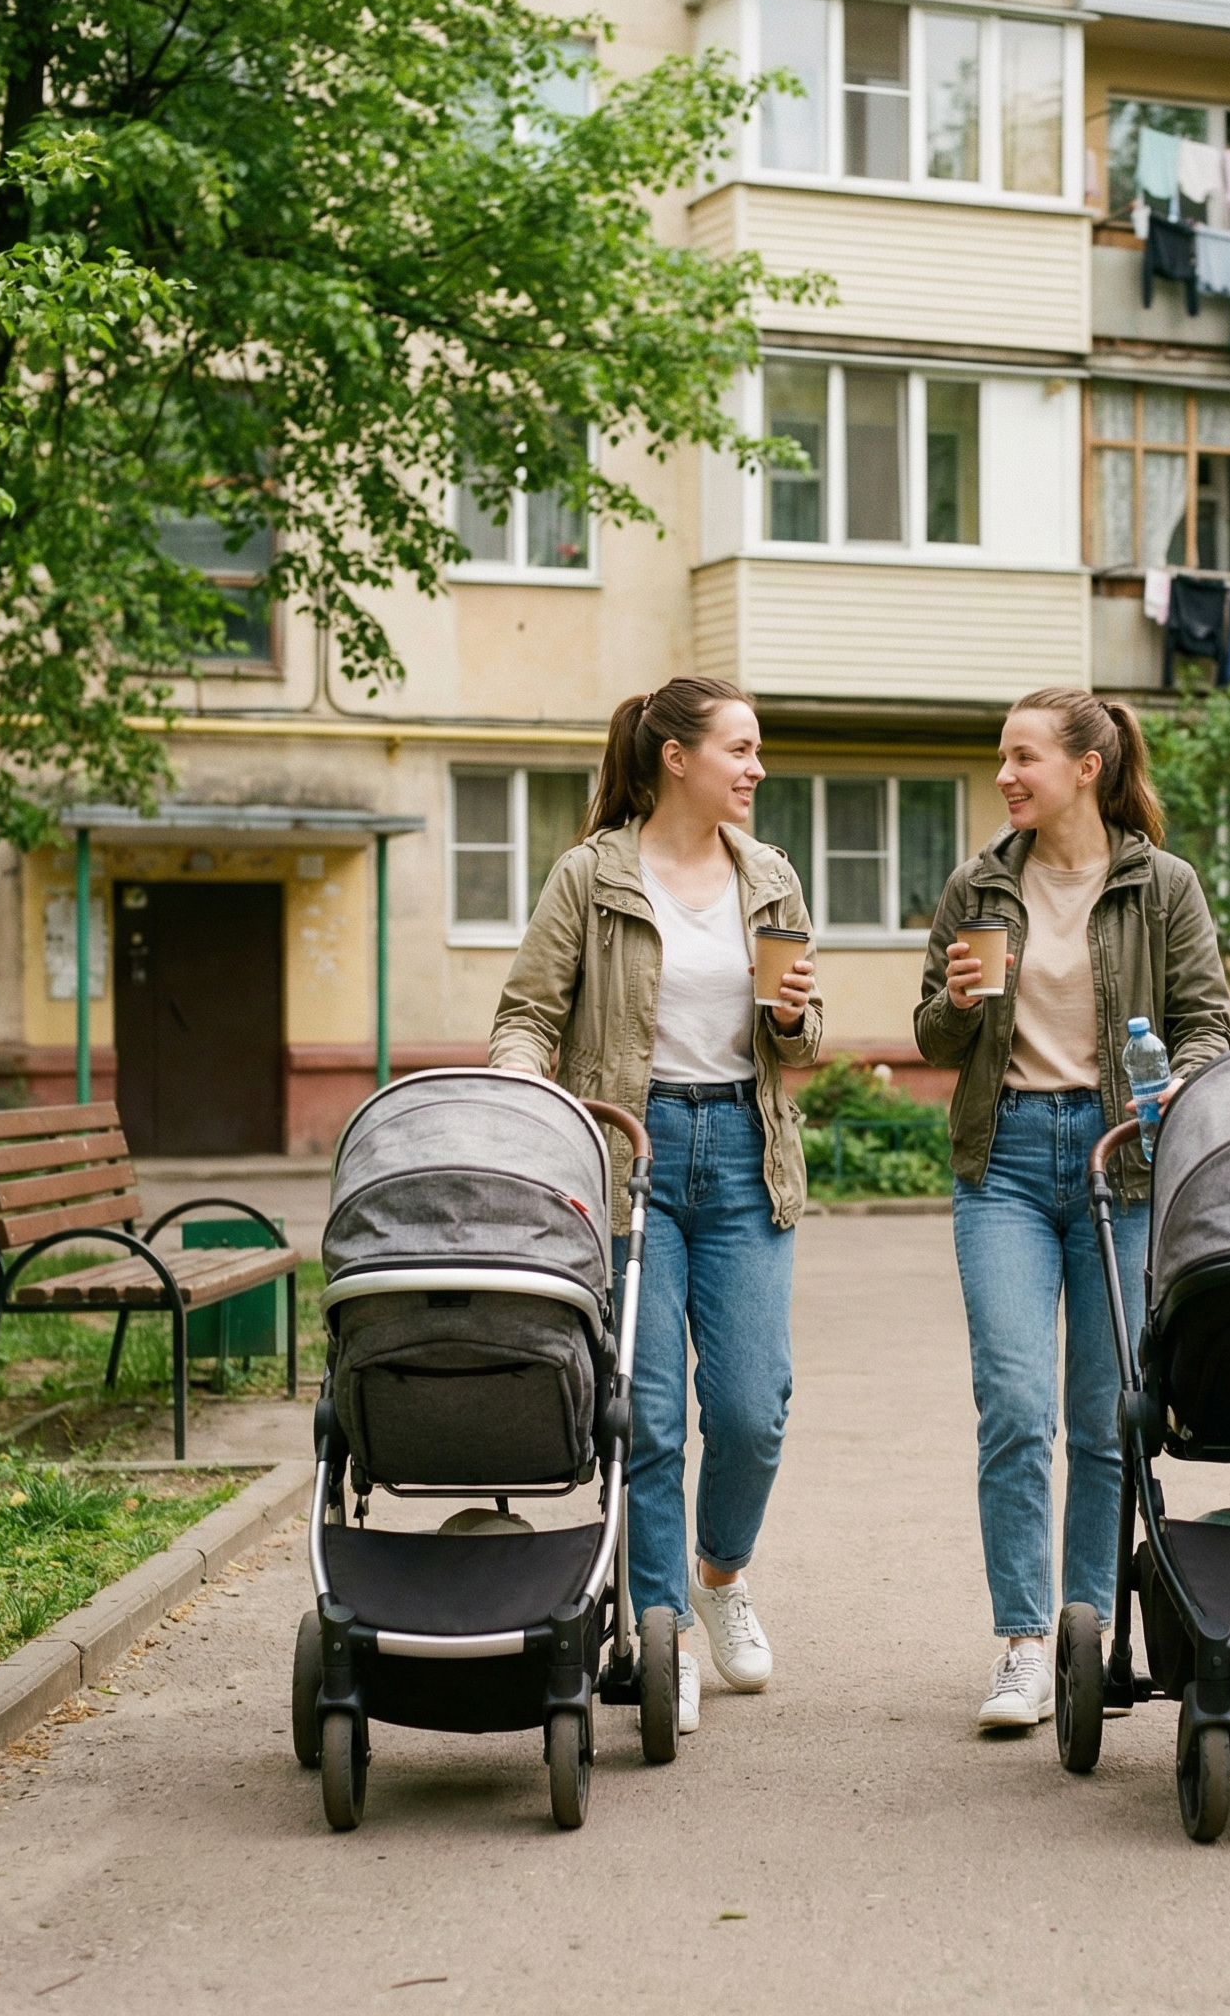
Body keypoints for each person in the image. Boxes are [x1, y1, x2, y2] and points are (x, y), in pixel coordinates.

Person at [490, 677, 819, 1736]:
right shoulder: (589, 876)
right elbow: (528, 1011)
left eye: (757, 748)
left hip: (741, 1152)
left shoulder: (768, 875)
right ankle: (660, 1625)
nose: (756, 766)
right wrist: (522, 1096)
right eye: (740, 747)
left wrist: (794, 1018)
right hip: (627, 1152)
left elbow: (798, 1045)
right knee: (654, 1418)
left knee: (750, 1409)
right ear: (675, 756)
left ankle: (719, 1576)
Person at [916, 687, 1230, 1730]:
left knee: (1107, 1420)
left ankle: (1084, 1635)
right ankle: (1019, 1640)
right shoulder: (979, 883)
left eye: (1021, 757)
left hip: (1122, 1165)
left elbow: (1206, 1020)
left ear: (1084, 767)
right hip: (1001, 1157)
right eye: (1000, 757)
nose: (1003, 774)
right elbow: (931, 1035)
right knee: (1013, 1404)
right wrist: (955, 1005)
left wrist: (1182, 1082)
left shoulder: (1160, 883)